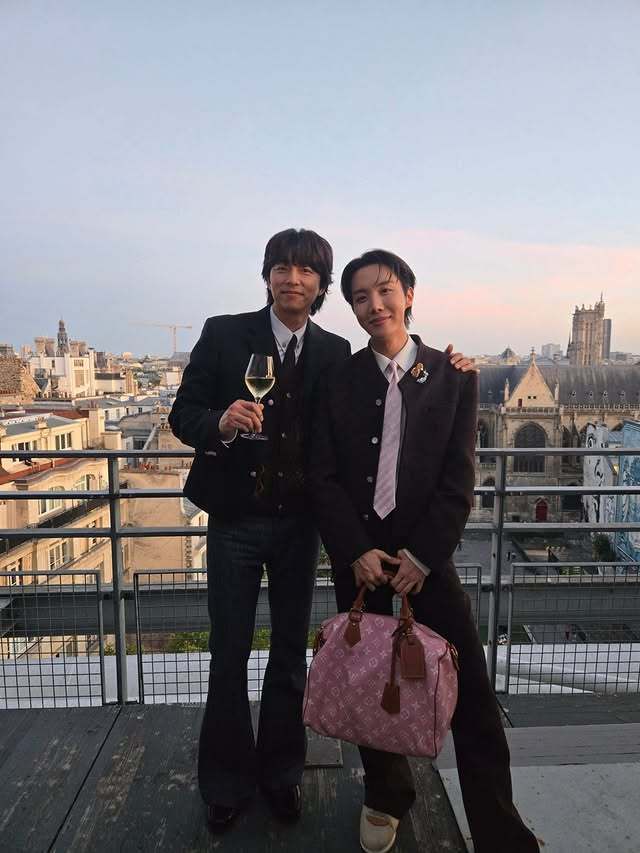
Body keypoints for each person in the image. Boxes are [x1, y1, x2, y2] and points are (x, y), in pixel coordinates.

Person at [169, 229, 475, 834]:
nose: (293, 279)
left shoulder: (336, 353)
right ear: (267, 276)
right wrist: (221, 422)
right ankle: (225, 783)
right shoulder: (224, 333)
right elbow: (183, 414)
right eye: (282, 268)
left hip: (300, 525)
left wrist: (449, 368)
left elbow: (382, 402)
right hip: (234, 520)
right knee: (227, 654)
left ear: (321, 286)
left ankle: (282, 775)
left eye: (307, 271)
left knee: (290, 654)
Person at [309, 249, 539, 853]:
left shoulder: (454, 375)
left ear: (409, 294)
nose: (374, 305)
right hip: (361, 563)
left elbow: (457, 481)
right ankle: (387, 795)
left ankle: (499, 830)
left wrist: (421, 557)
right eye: (360, 297)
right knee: (369, 685)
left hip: (426, 564)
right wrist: (355, 550)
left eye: (385, 290)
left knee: (475, 701)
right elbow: (323, 476)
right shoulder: (338, 379)